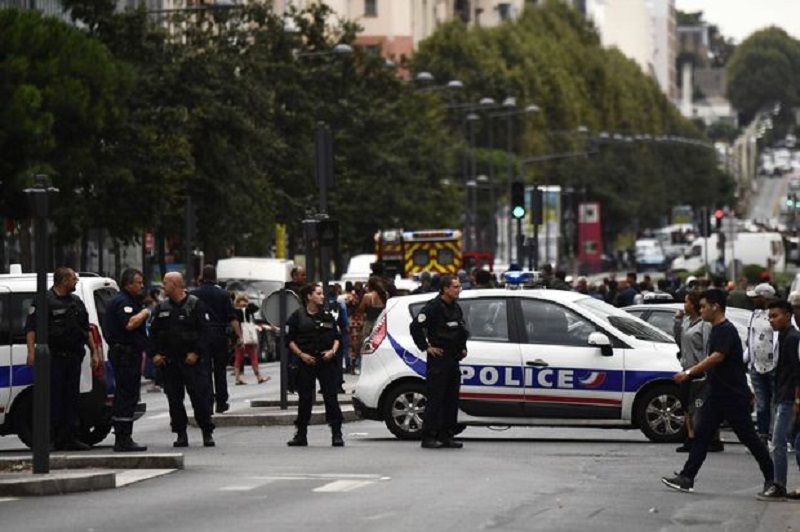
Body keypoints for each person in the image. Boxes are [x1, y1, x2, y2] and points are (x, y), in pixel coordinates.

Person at [662, 289, 776, 496]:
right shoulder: (716, 329)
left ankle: (772, 479)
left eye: (704, 306)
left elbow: (716, 357)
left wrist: (689, 372)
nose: (702, 310)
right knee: (702, 435)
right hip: (717, 394)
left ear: (715, 306)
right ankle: (687, 477)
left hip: (733, 395)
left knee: (749, 438)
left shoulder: (725, 329)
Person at [25, 267, 100, 451]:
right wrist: (31, 352)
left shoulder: (76, 301)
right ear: (64, 280)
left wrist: (94, 352)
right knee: (53, 400)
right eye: (74, 278)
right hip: (54, 358)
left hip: (73, 358)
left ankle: (70, 438)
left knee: (71, 399)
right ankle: (51, 439)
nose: (76, 281)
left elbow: (86, 329)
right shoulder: (44, 300)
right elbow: (31, 329)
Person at [149, 272, 216, 448]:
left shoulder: (195, 305)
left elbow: (206, 333)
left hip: (191, 362)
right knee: (174, 400)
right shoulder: (161, 308)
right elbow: (153, 334)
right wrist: (154, 354)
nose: (163, 287)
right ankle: (180, 433)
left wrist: (197, 353)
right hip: (170, 363)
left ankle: (206, 431)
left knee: (199, 398)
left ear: (175, 284)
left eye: (165, 283)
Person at [409, 274, 469, 449]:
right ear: (445, 288)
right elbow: (415, 327)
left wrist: (462, 348)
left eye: (459, 287)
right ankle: (429, 436)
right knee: (436, 398)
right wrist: (425, 347)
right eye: (455, 287)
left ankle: (446, 435)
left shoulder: (456, 308)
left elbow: (460, 330)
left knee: (451, 399)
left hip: (453, 358)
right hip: (439, 359)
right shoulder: (433, 308)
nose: (459, 290)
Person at [285, 283, 345, 447]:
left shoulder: (327, 315)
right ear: (309, 296)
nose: (322, 296)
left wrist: (332, 351)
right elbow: (289, 340)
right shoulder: (297, 316)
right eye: (318, 293)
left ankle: (336, 433)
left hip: (326, 361)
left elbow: (337, 337)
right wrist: (301, 355)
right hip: (306, 361)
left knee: (331, 397)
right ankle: (301, 434)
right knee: (305, 398)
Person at [102, 268, 151, 452]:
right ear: (128, 284)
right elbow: (130, 324)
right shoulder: (123, 301)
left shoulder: (129, 300)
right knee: (126, 395)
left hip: (129, 354)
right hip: (125, 355)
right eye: (138, 282)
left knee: (128, 394)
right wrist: (144, 313)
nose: (141, 286)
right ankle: (123, 438)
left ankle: (124, 436)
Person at [672, 289, 723, 453]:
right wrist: (677, 321)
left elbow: (709, 347)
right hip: (687, 368)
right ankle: (691, 436)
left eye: (687, 301)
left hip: (700, 369)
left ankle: (712, 438)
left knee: (701, 406)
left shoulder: (704, 324)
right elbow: (680, 339)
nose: (684, 304)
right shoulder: (687, 321)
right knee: (687, 405)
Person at [761, 300, 800, 500]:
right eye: (769, 317)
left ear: (787, 315)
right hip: (781, 395)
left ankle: (779, 485)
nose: (771, 321)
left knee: (778, 443)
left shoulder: (793, 338)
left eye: (775, 316)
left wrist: (796, 402)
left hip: (788, 398)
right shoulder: (784, 337)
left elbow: (797, 373)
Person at [192, 265, 242, 414]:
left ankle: (207, 401)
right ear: (215, 276)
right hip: (220, 335)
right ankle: (221, 402)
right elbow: (232, 318)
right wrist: (239, 336)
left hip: (202, 336)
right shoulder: (223, 294)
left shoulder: (195, 294)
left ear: (202, 276)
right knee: (220, 370)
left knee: (204, 370)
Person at [745, 282, 778, 445]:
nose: (753, 301)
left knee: (775, 403)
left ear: (764, 298)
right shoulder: (755, 315)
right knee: (762, 404)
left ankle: (776, 436)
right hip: (756, 365)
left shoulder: (776, 314)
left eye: (756, 298)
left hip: (774, 366)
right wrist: (747, 359)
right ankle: (763, 435)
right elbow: (750, 339)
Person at [233, 293, 268, 385]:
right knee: (251, 357)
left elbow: (255, 308)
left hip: (239, 337)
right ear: (238, 302)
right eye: (242, 301)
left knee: (239, 357)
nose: (243, 303)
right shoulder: (244, 311)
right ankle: (258, 377)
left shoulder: (238, 311)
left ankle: (238, 378)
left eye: (245, 301)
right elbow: (255, 308)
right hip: (246, 337)